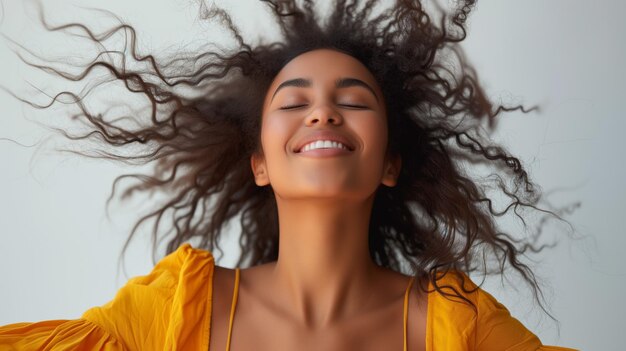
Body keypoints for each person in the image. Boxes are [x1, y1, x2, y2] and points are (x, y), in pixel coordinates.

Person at [0, 0, 578, 350]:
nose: (322, 112)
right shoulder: (177, 309)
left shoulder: (458, 325)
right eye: (293, 102)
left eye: (352, 101)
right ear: (259, 162)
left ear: (391, 163)